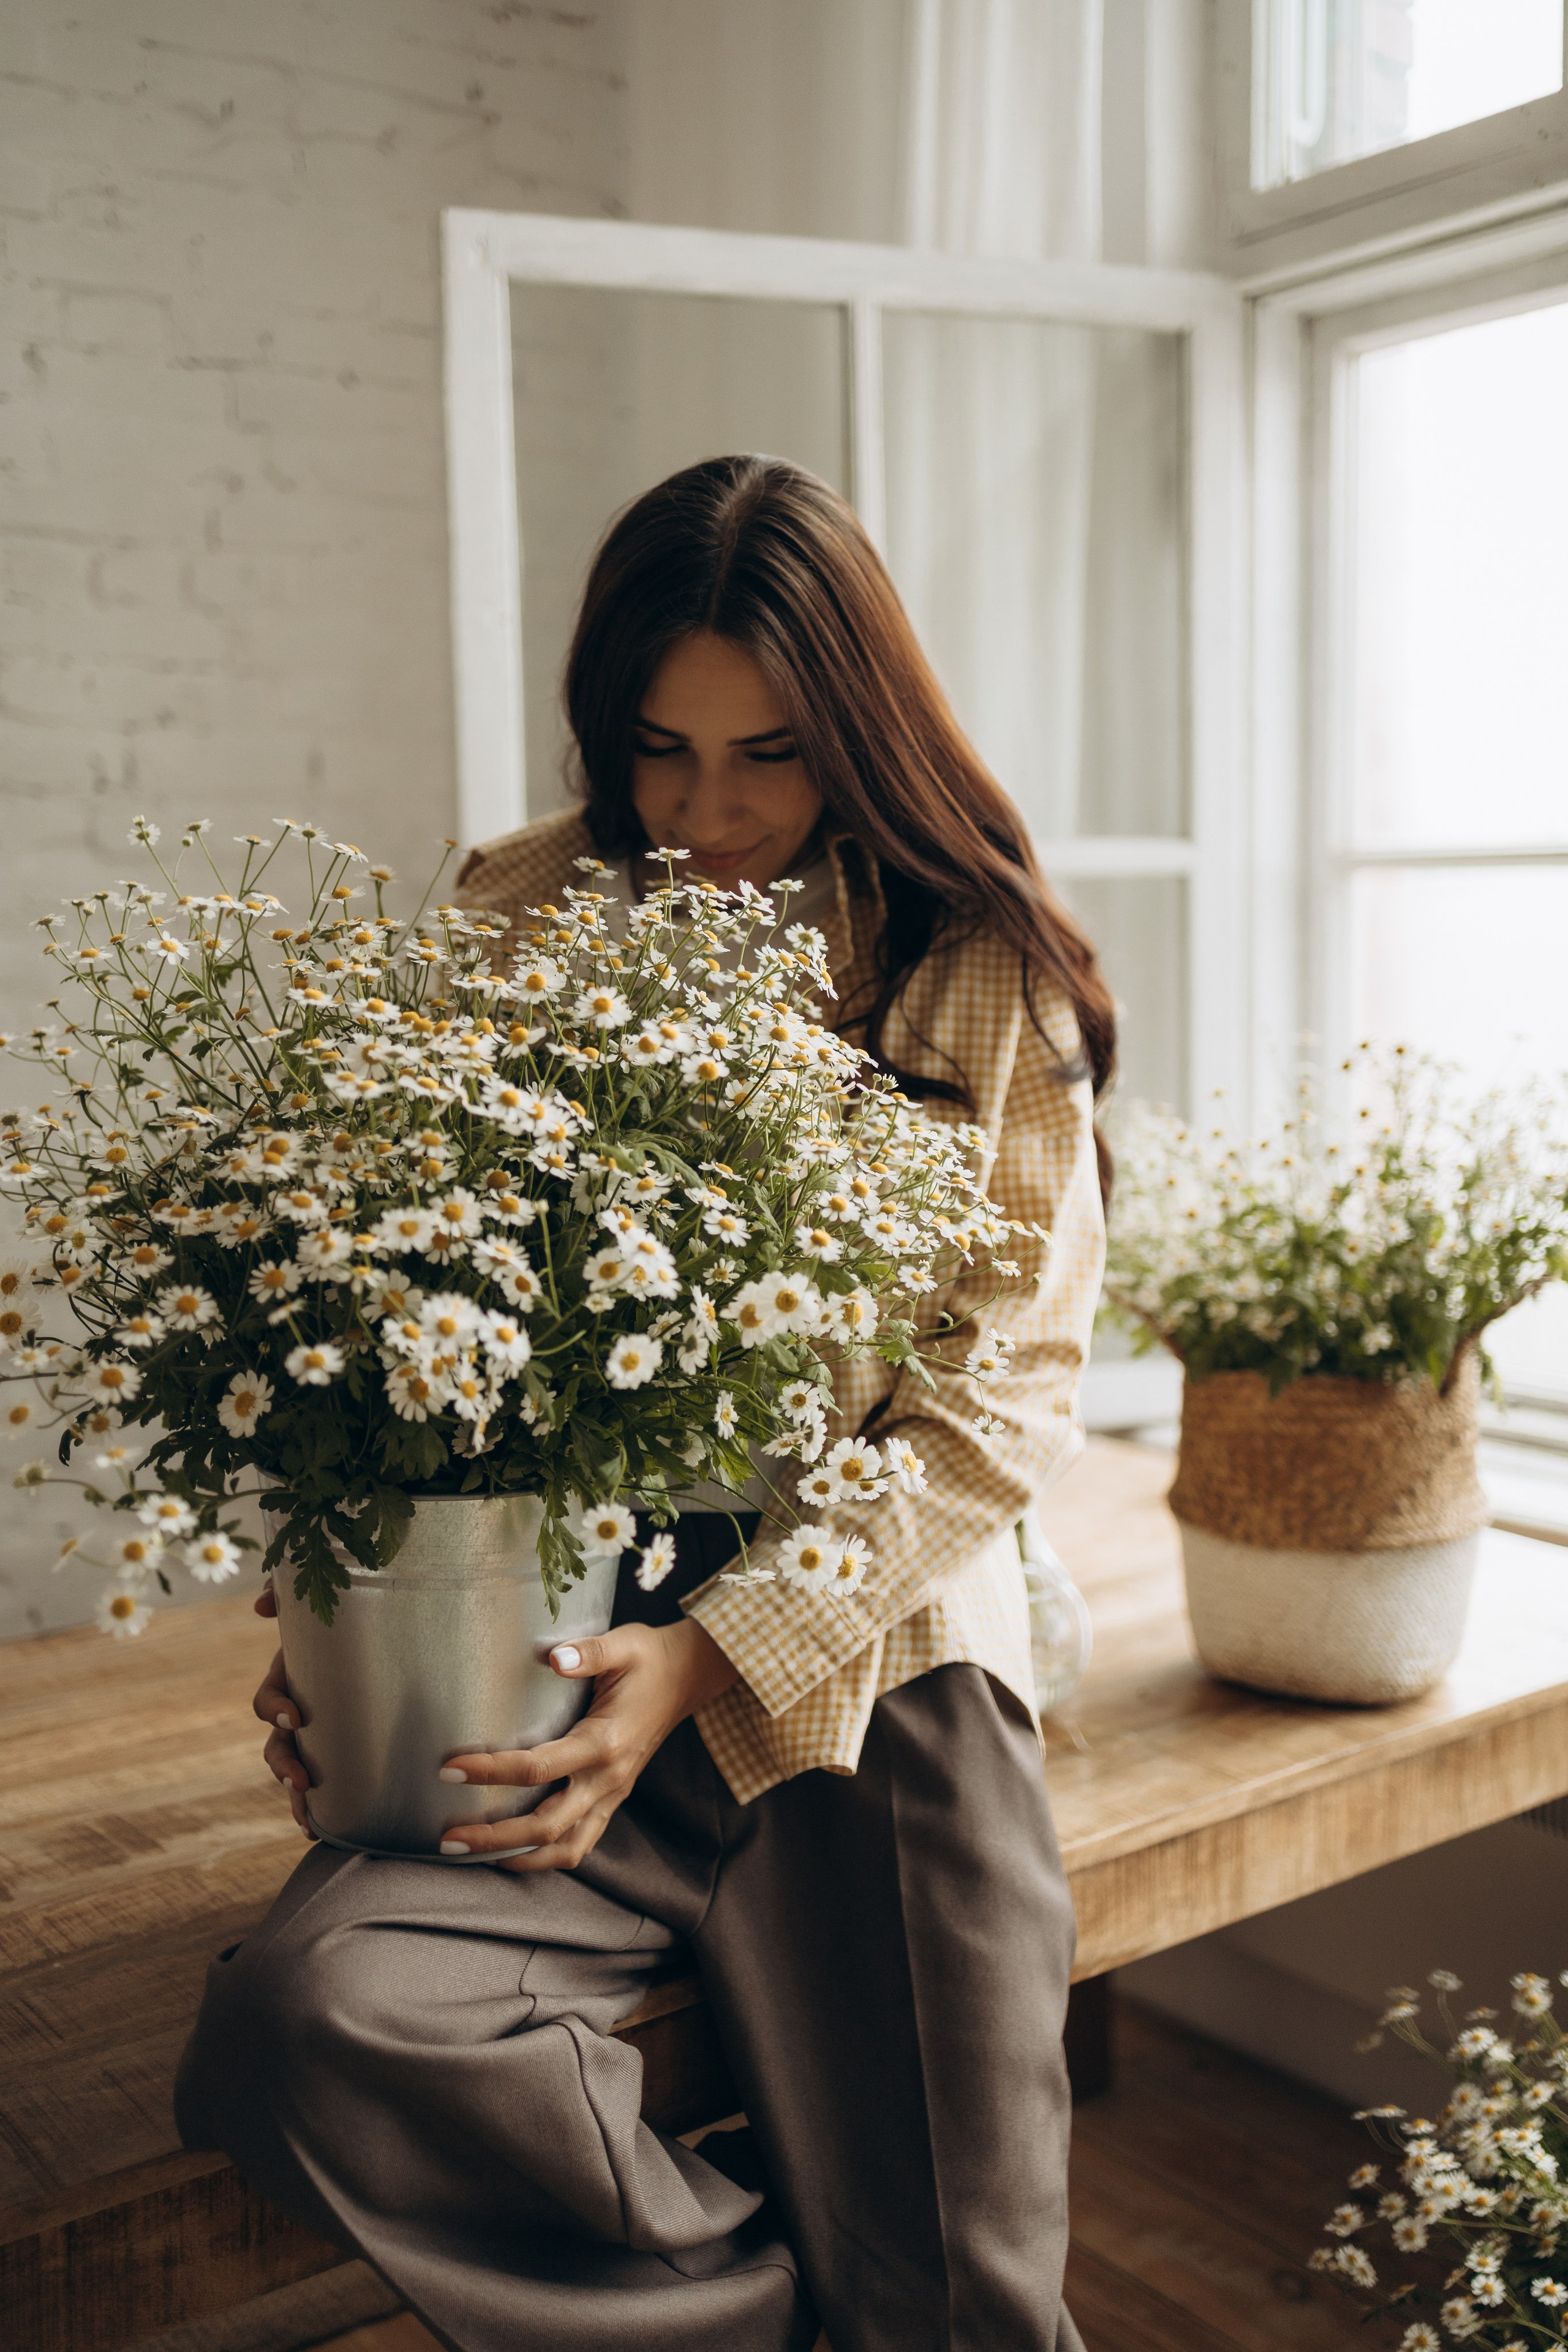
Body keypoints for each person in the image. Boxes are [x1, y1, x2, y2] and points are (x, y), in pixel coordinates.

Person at [176, 455, 1114, 2352]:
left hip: (876, 1689)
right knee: (307, 2022)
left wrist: (714, 1655)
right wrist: (339, 1621)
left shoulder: (971, 956)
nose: (710, 814)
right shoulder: (517, 909)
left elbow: (998, 1402)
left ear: (858, 727)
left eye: (769, 752)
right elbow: (396, 1317)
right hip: (546, 1659)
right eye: (658, 749)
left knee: (956, 2309)